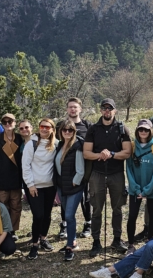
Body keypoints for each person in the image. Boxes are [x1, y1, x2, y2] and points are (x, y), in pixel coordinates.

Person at [83, 98, 132, 258]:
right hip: (97, 174)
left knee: (117, 208)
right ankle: (96, 241)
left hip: (116, 174)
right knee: (97, 209)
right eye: (104, 108)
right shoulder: (93, 129)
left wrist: (111, 154)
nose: (106, 111)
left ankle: (117, 239)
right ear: (100, 110)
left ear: (115, 110)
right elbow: (86, 153)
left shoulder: (121, 128)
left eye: (109, 108)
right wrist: (101, 155)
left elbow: (127, 152)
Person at [23, 117, 59, 260]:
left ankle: (43, 238)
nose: (44, 129)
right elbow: (25, 166)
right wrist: (30, 185)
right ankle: (34, 244)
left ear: (52, 129)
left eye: (47, 127)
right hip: (35, 186)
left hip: (50, 186)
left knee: (47, 214)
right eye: (42, 126)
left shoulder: (56, 144)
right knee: (38, 216)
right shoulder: (31, 144)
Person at [126, 119, 153, 251]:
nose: (143, 132)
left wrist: (147, 190)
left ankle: (149, 242)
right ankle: (130, 244)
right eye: (141, 129)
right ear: (137, 130)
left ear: (151, 131)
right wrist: (135, 188)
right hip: (135, 189)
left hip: (151, 189)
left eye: (146, 130)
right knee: (132, 216)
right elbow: (128, 168)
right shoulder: (132, 146)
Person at [60, 97, 91, 240]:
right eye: (70, 107)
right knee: (64, 198)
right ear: (67, 109)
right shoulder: (61, 125)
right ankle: (64, 225)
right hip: (65, 170)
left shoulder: (87, 126)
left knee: (86, 198)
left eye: (75, 107)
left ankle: (88, 223)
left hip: (83, 169)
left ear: (80, 109)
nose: (73, 109)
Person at [0, 113, 24, 236]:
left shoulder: (20, 138)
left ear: (15, 122)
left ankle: (12, 230)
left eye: (10, 121)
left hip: (16, 180)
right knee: (3, 208)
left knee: (16, 207)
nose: (8, 124)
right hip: (1, 180)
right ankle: (4, 230)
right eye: (5, 122)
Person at [54, 119, 86, 261]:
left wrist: (75, 182)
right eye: (64, 130)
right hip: (62, 186)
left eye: (70, 130)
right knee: (68, 216)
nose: (67, 132)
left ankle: (70, 245)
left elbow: (81, 170)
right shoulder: (60, 145)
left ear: (74, 132)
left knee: (68, 216)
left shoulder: (77, 146)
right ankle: (72, 240)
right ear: (60, 131)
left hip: (74, 187)